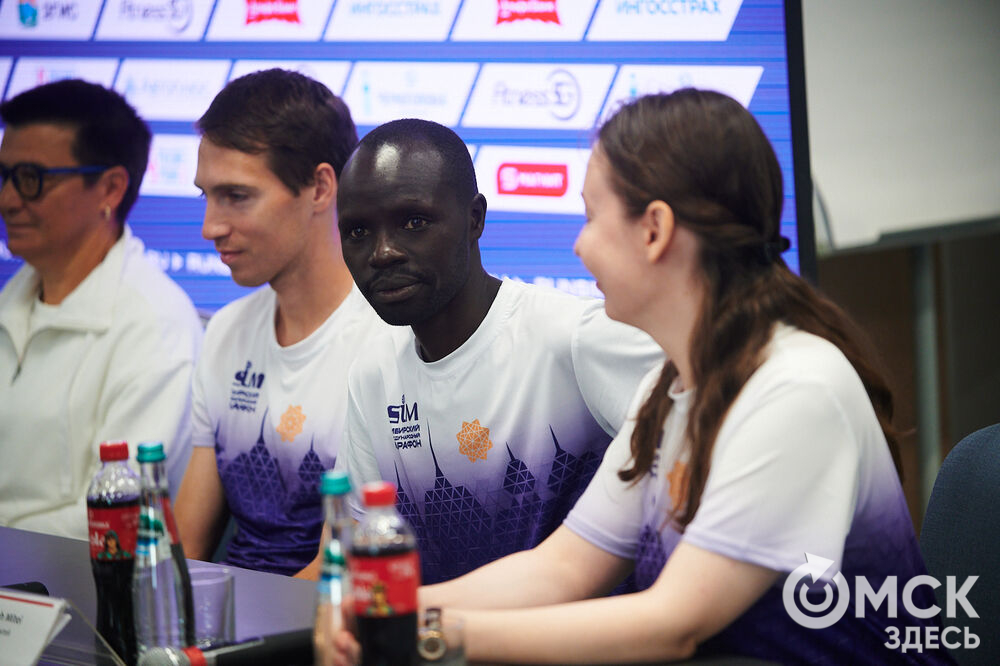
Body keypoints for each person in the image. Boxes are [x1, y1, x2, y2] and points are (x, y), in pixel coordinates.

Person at [323, 90, 952, 664]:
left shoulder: (795, 390)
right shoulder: (669, 390)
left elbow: (672, 624)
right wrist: (379, 613)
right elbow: (563, 570)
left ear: (654, 230)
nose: (579, 246)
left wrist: (425, 635)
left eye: (593, 218)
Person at [333, 118, 663, 585]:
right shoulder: (373, 373)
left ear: (475, 219)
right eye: (357, 232)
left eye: (414, 222)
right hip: (432, 628)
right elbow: (360, 558)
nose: (382, 252)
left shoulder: (574, 337)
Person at [174, 69, 385, 577]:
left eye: (236, 196)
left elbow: (340, 568)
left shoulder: (390, 343)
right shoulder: (225, 331)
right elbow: (184, 548)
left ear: (320, 187)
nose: (210, 227)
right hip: (223, 613)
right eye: (207, 196)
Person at [0, 79, 203, 540]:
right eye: (5, 175)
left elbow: (117, 513)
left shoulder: (154, 325)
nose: (8, 200)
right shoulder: (14, 297)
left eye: (31, 179)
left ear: (110, 188)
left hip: (77, 580)